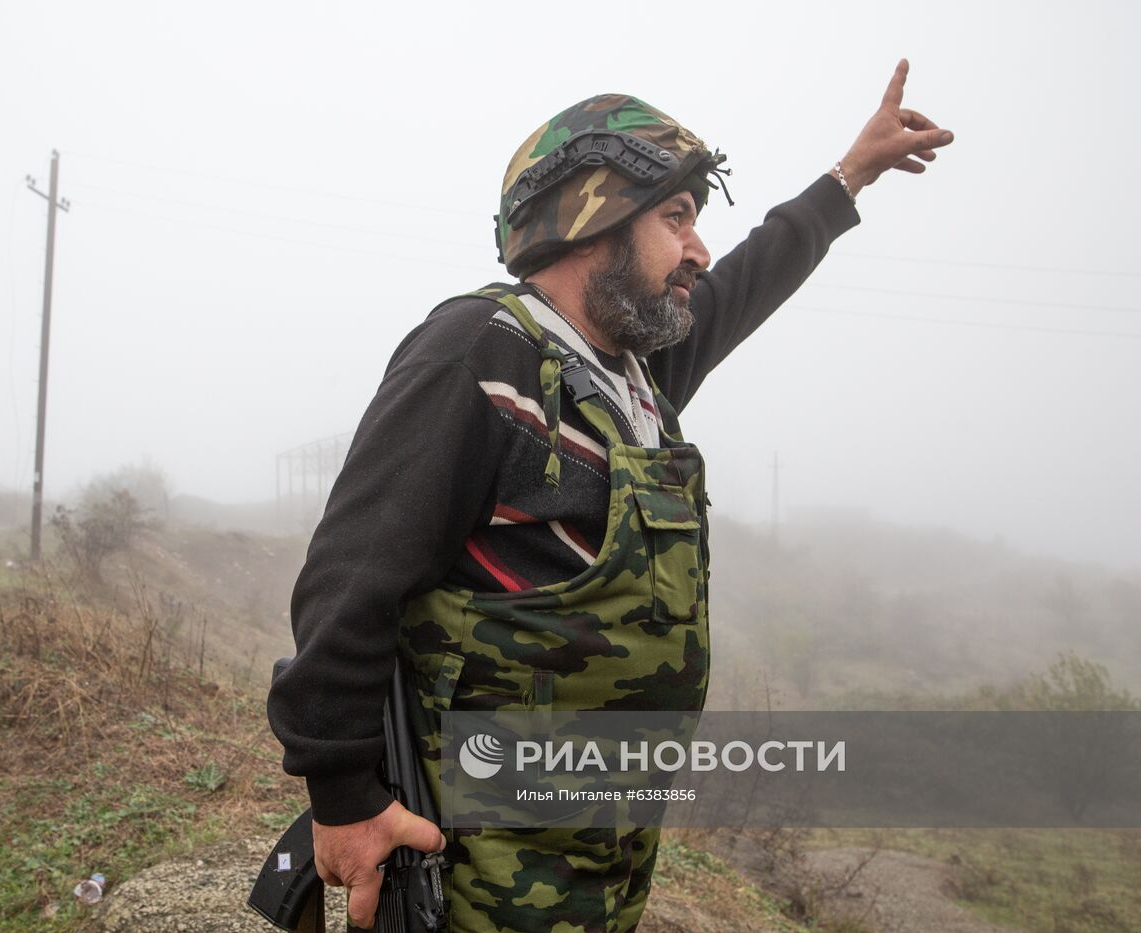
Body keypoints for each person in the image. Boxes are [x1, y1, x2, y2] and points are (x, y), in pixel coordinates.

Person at [267, 59, 952, 931]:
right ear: (593, 219)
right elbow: (346, 584)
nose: (699, 250)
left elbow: (745, 284)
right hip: (481, 870)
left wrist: (848, 178)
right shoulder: (480, 354)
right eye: (676, 217)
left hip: (600, 858)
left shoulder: (634, 378)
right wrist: (343, 799)